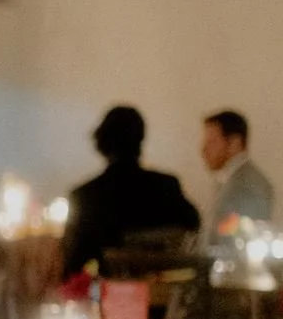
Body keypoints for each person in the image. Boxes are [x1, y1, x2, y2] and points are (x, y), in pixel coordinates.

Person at [61, 105, 199, 277]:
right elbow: (194, 226)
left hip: (110, 297)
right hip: (162, 295)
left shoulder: (84, 195)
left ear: (102, 142)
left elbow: (72, 263)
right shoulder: (167, 185)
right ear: (140, 139)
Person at [201, 109, 274, 239]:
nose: (203, 149)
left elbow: (242, 240)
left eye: (212, 142)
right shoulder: (231, 180)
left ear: (235, 143)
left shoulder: (249, 185)